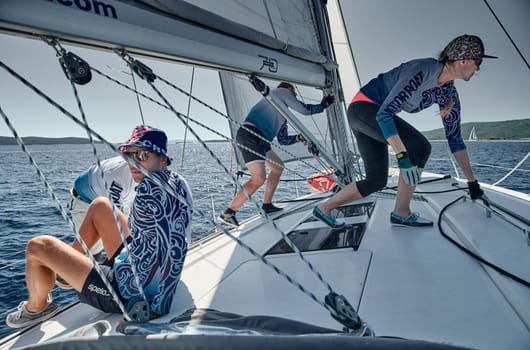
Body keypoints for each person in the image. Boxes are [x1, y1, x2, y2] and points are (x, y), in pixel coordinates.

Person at [6, 125, 193, 328]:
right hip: (135, 263)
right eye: (129, 155)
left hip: (128, 291)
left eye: (141, 155)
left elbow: (175, 246)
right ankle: (68, 274)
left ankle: (36, 309)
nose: (133, 162)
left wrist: (156, 309)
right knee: (101, 205)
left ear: (163, 158)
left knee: (38, 246)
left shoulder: (148, 193)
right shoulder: (176, 181)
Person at [313, 34, 495, 228]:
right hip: (363, 109)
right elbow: (385, 114)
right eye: (478, 61)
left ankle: (325, 207)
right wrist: (402, 156)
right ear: (463, 60)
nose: (479, 68)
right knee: (419, 147)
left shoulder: (448, 94)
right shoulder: (423, 69)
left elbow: (455, 139)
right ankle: (401, 212)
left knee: (376, 181)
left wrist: (472, 183)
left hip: (370, 117)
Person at [218, 82, 336, 227]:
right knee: (258, 179)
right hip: (251, 134)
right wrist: (324, 104)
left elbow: (283, 140)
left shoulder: (281, 112)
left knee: (278, 166)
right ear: (288, 90)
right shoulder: (280, 92)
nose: (295, 97)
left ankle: (267, 206)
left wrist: (298, 138)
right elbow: (305, 110)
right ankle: (229, 212)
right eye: (294, 94)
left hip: (261, 139)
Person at [67, 155, 136, 260]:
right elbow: (115, 229)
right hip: (85, 203)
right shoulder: (116, 176)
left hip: (118, 200)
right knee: (89, 256)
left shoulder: (153, 172)